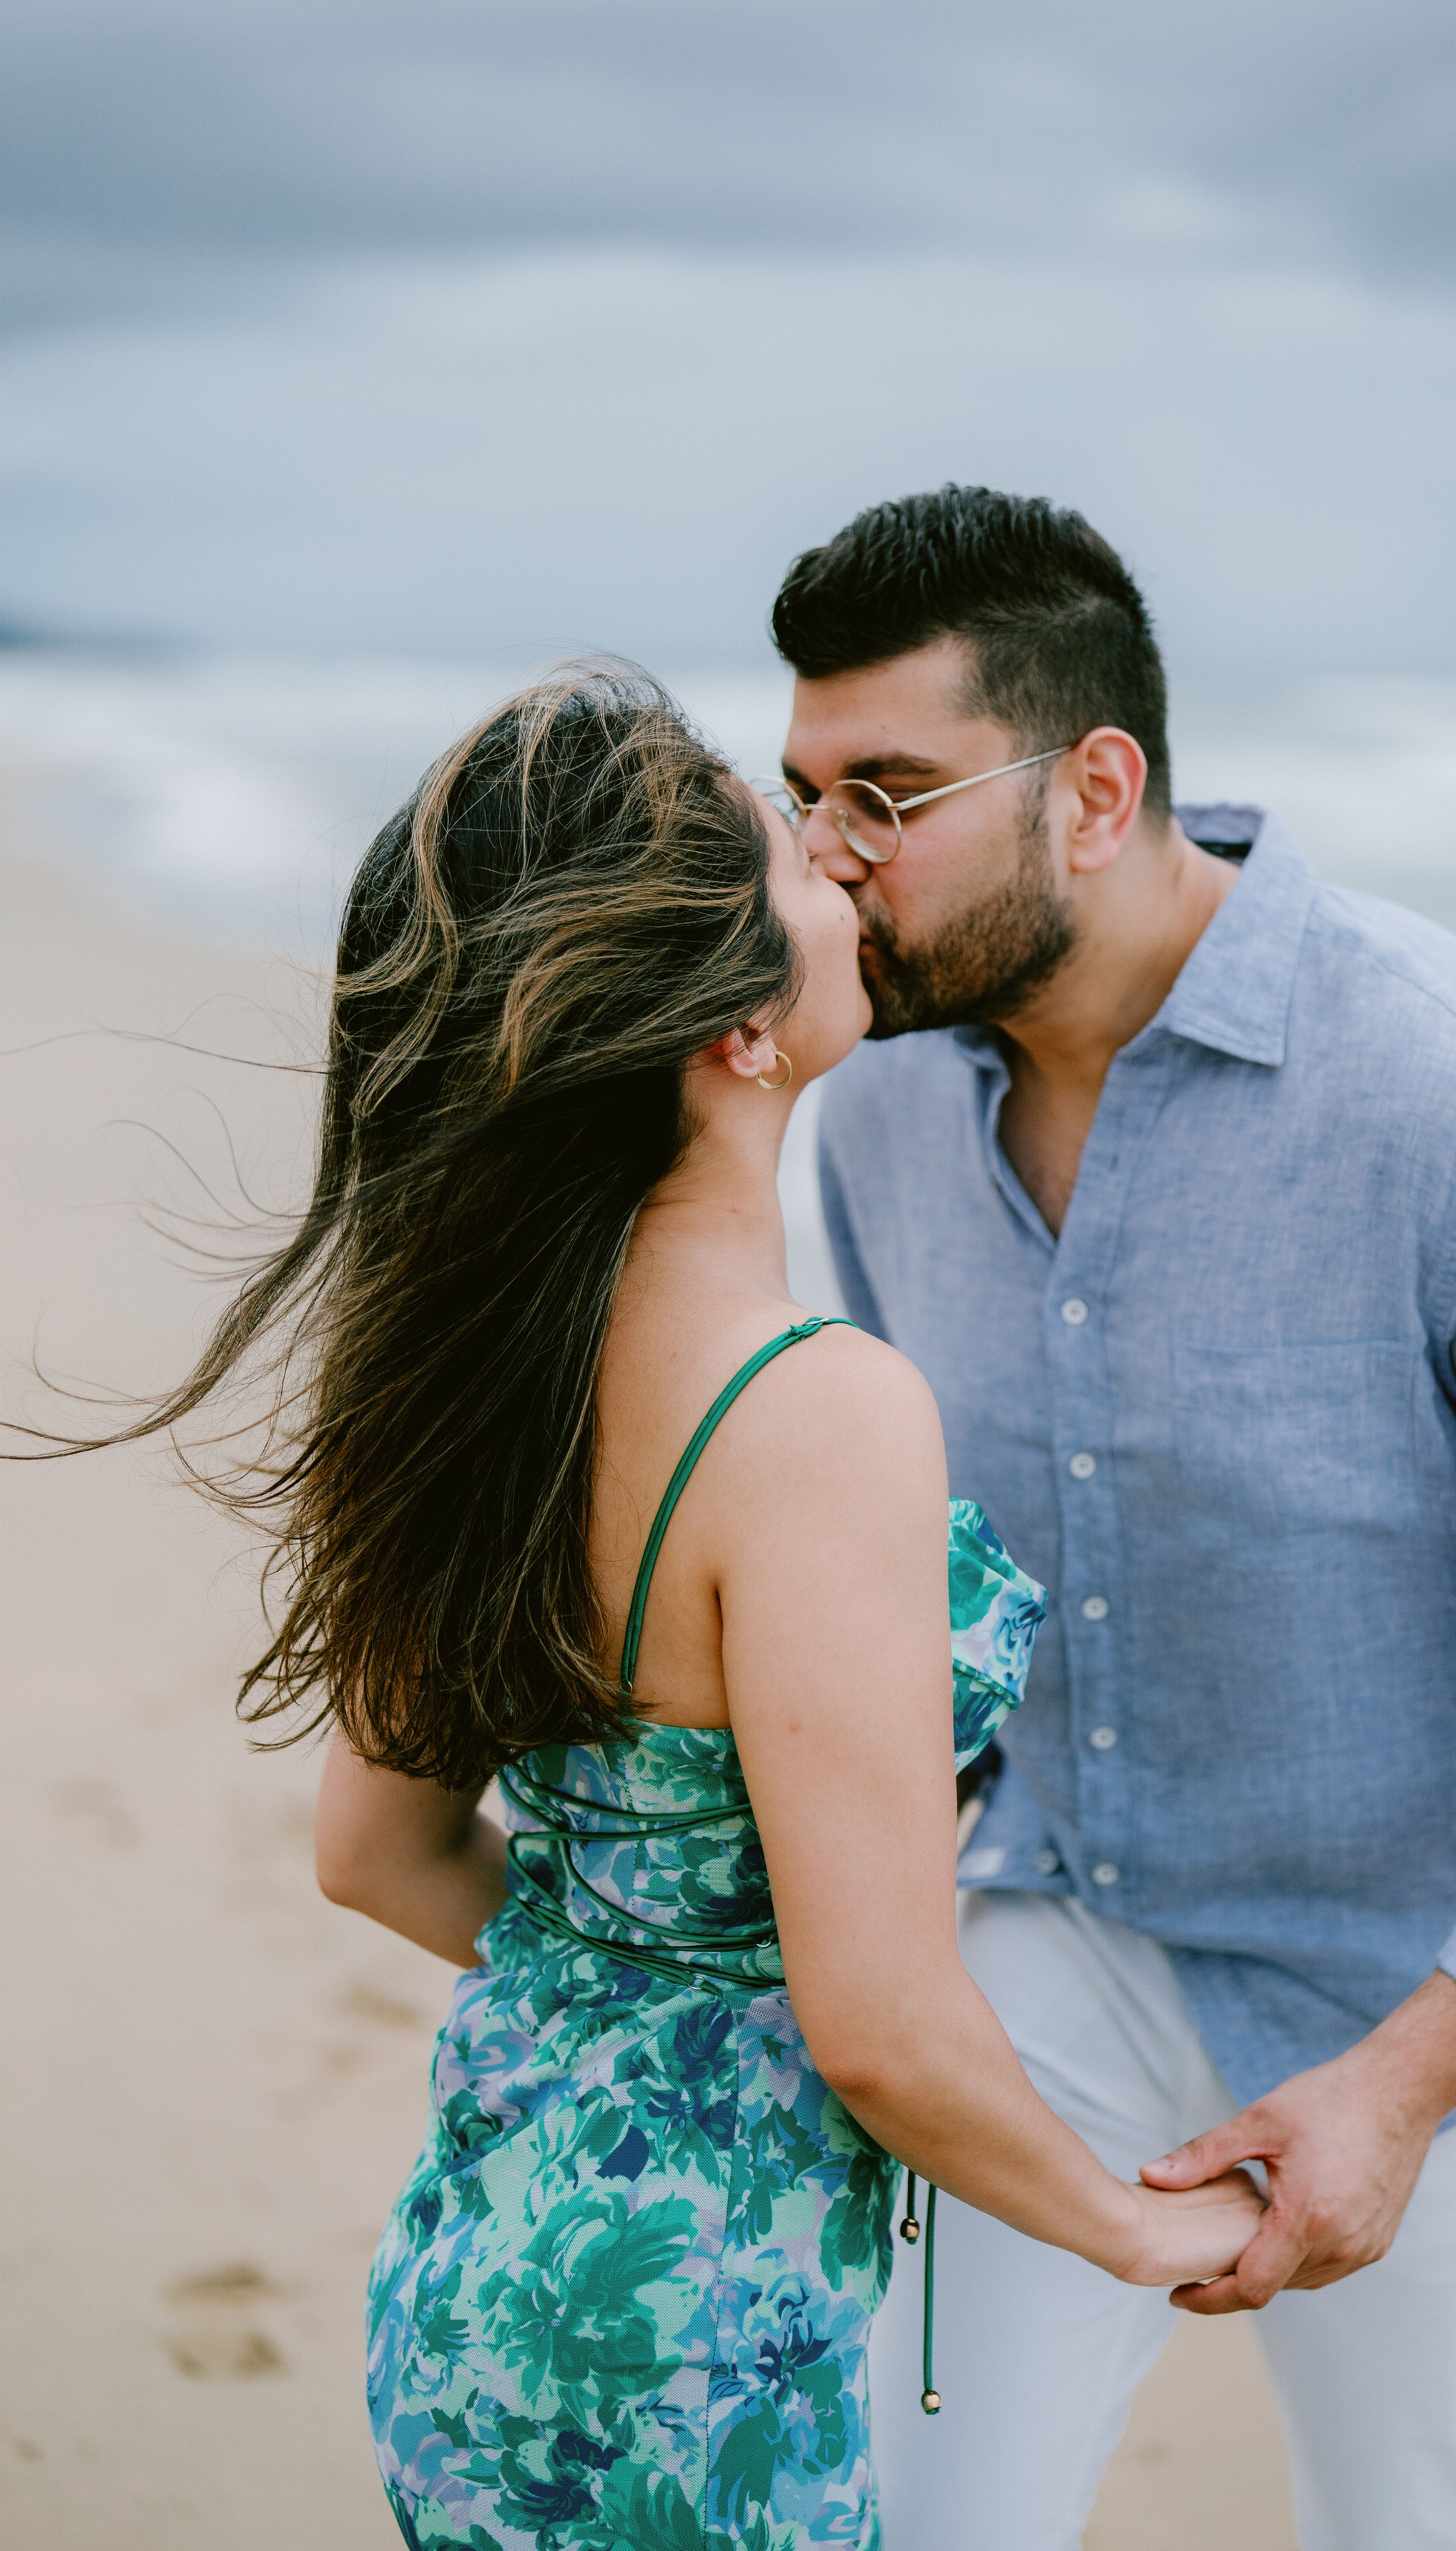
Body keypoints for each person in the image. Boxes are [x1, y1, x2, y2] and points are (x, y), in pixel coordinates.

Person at [91, 664, 1260, 2550]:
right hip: (694, 2350)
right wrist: (1134, 2222)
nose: (837, 856)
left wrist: (626, 1993)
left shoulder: (469, 1371)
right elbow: (874, 2018)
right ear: (729, 1032)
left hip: (482, 2281)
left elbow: (375, 1856)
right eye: (792, 849)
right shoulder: (815, 1412)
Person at [771, 487, 1456, 2551]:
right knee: (914, 2531)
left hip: (1418, 2005)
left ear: (1094, 788)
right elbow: (918, 1574)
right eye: (804, 798)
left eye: (884, 794)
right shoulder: (869, 1094)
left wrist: (1416, 2079)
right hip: (1046, 1947)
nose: (825, 864)